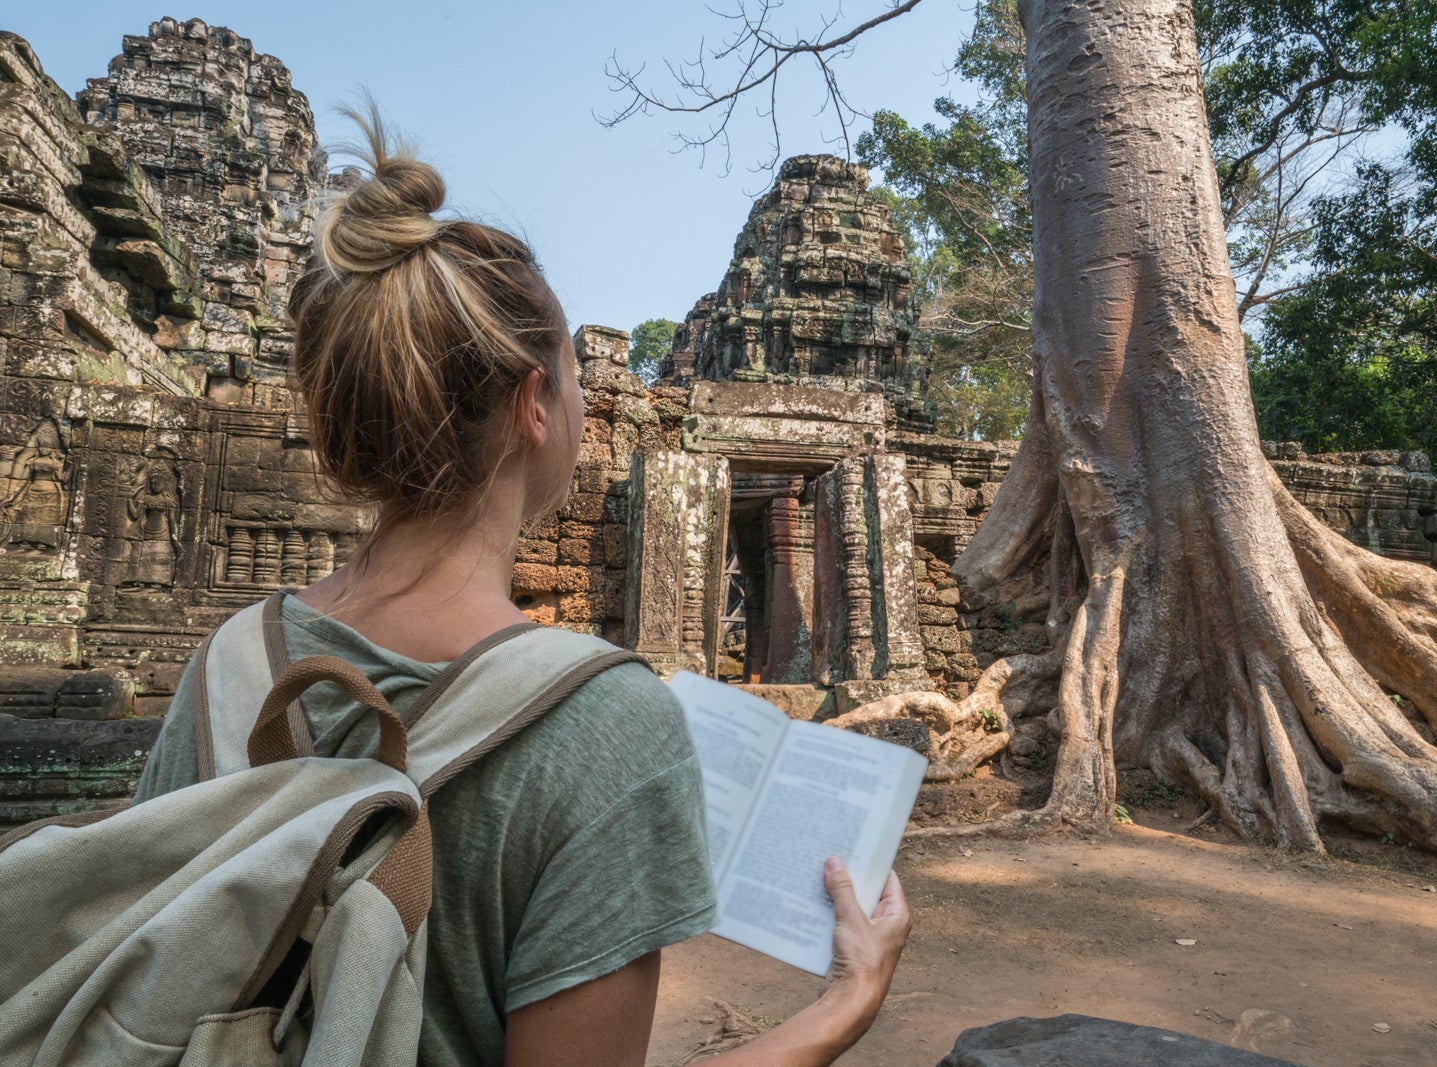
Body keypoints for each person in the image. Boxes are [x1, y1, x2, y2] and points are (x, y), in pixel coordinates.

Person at [132, 109, 910, 1067]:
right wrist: (844, 1002)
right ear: (533, 405)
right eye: (575, 374)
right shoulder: (603, 726)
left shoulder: (228, 666)